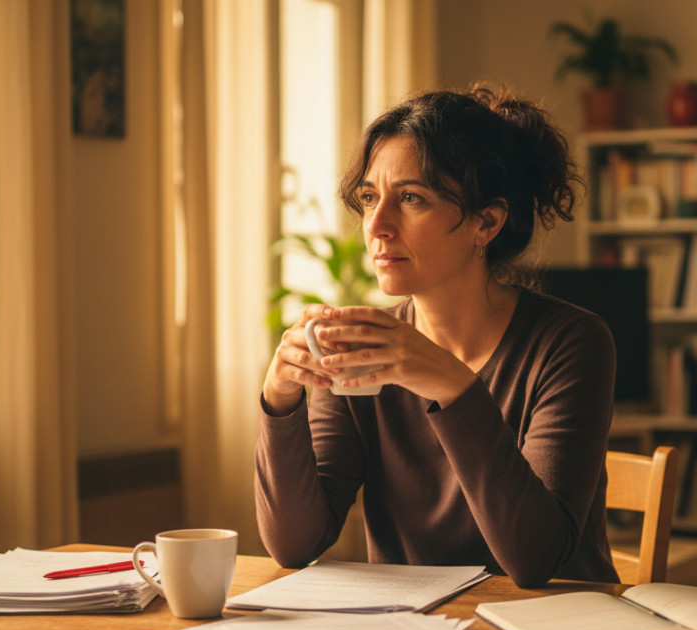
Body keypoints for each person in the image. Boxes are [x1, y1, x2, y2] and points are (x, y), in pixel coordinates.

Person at [255, 85, 618, 587]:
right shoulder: (361, 348)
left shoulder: (570, 342)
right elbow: (295, 544)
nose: (376, 225)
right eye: (369, 197)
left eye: (410, 198)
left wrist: (453, 386)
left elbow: (536, 560)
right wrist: (279, 399)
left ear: (486, 223)